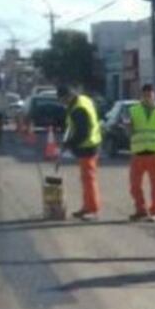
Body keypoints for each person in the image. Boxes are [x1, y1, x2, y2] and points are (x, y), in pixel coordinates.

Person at [58, 85, 103, 221]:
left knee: (89, 179)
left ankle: (93, 209)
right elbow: (73, 127)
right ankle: (87, 207)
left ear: (68, 97)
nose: (63, 103)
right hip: (90, 144)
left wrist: (70, 144)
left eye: (63, 100)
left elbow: (82, 132)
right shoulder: (82, 100)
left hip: (88, 146)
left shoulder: (79, 109)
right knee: (85, 179)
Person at [128, 83, 155, 222]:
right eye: (145, 95)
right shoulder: (134, 110)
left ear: (154, 95)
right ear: (141, 95)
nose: (147, 98)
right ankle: (141, 210)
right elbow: (130, 131)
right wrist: (128, 127)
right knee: (134, 185)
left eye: (150, 95)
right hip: (138, 153)